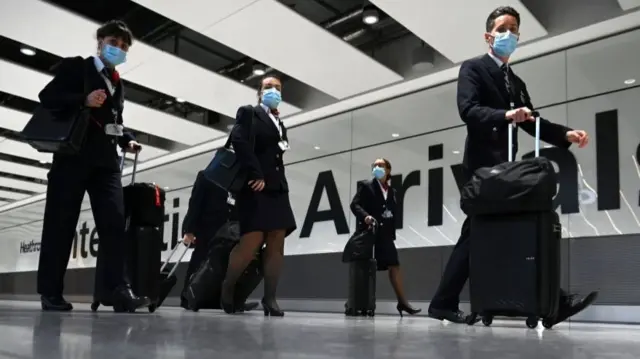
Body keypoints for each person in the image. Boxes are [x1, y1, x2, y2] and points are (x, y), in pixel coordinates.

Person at [427, 6, 598, 325]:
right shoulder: (473, 69)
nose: (510, 34)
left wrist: (565, 134)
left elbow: (531, 121)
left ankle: (448, 302)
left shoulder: (515, 82)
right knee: (497, 229)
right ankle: (552, 300)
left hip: (507, 172)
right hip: (482, 170)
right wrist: (504, 115)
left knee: (495, 232)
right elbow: (469, 110)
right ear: (488, 35)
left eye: (515, 29)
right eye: (503, 28)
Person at [36, 20, 150, 312]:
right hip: (72, 157)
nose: (119, 49)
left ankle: (117, 290)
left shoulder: (117, 82)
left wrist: (127, 139)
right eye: (114, 42)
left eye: (124, 47)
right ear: (100, 42)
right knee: (60, 226)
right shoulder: (78, 67)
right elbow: (47, 97)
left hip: (106, 164)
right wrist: (83, 100)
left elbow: (114, 122)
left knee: (114, 224)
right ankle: (50, 292)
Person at [220, 74, 297, 316]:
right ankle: (227, 288)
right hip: (255, 185)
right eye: (268, 87)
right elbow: (239, 142)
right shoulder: (249, 112)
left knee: (276, 243)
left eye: (277, 87)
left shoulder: (280, 123)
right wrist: (256, 173)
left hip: (277, 189)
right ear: (259, 92)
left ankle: (270, 298)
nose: (273, 90)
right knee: (251, 242)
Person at [350, 158, 422, 317]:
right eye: (375, 165)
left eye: (381, 165)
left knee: (394, 265)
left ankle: (402, 302)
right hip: (369, 232)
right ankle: (360, 303)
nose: (377, 167)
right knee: (366, 268)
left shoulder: (392, 191)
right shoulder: (366, 186)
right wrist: (366, 217)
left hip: (385, 235)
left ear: (388, 170)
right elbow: (354, 205)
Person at [180, 170, 258, 312]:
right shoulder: (207, 175)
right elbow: (195, 203)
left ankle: (225, 300)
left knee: (225, 265)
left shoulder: (238, 180)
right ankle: (188, 296)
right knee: (200, 260)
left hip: (228, 230)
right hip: (207, 226)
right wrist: (189, 229)